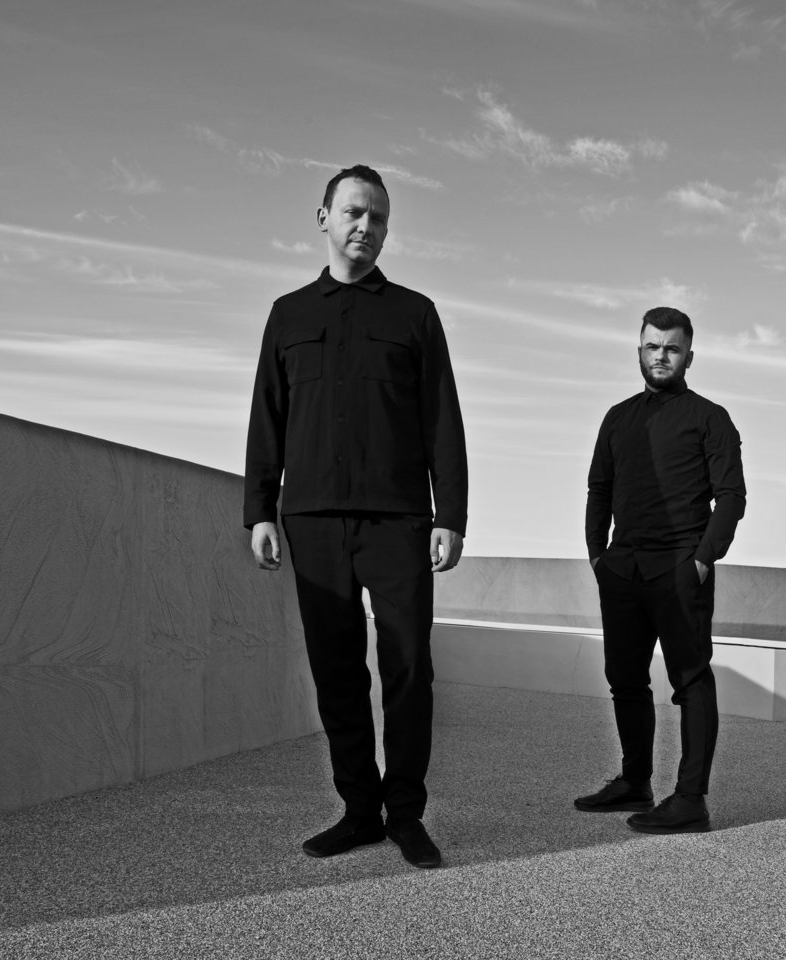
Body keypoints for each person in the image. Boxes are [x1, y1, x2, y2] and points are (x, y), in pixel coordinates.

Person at [244, 164, 468, 868]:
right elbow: (267, 416)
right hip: (312, 519)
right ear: (324, 219)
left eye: (378, 217)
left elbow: (442, 419)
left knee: (408, 668)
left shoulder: (414, 314)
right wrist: (260, 509)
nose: (366, 226)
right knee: (337, 672)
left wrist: (450, 514)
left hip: (398, 520)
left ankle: (406, 814)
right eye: (353, 212)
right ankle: (360, 811)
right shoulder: (288, 314)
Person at [577, 307, 746, 834]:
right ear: (639, 352)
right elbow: (599, 489)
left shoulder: (710, 418)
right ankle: (635, 781)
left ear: (689, 357)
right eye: (653, 346)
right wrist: (598, 555)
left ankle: (691, 799)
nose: (661, 356)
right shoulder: (617, 416)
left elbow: (731, 496)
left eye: (672, 348)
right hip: (622, 569)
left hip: (678, 569)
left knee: (691, 681)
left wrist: (702, 559)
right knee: (624, 679)